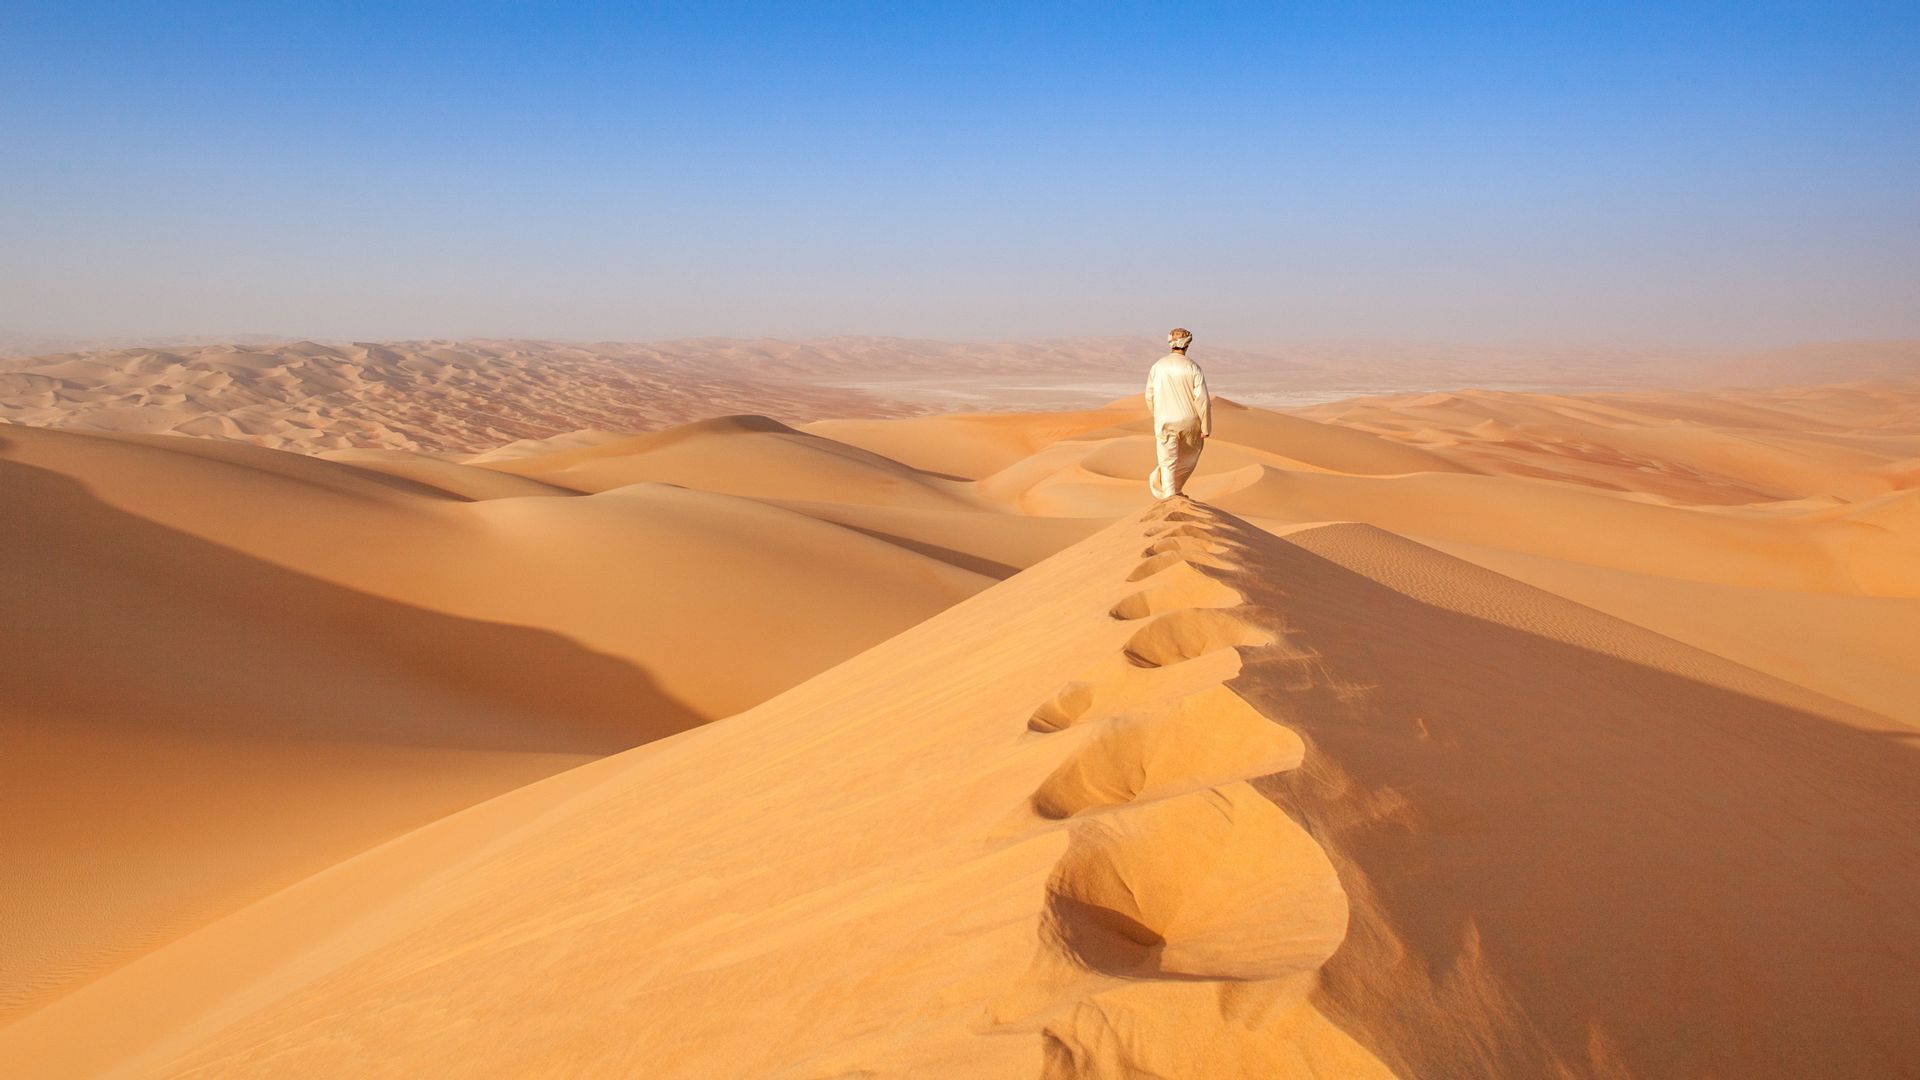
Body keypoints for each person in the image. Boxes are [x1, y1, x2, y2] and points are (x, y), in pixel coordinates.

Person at [1144, 327, 1212, 499]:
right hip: (1190, 421)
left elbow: (1149, 395)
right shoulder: (1193, 367)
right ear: (1188, 344)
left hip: (1165, 420)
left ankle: (1169, 493)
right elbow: (1202, 398)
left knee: (1167, 459)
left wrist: (1157, 415)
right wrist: (1206, 426)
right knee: (1189, 457)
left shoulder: (1158, 366)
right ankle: (1175, 492)